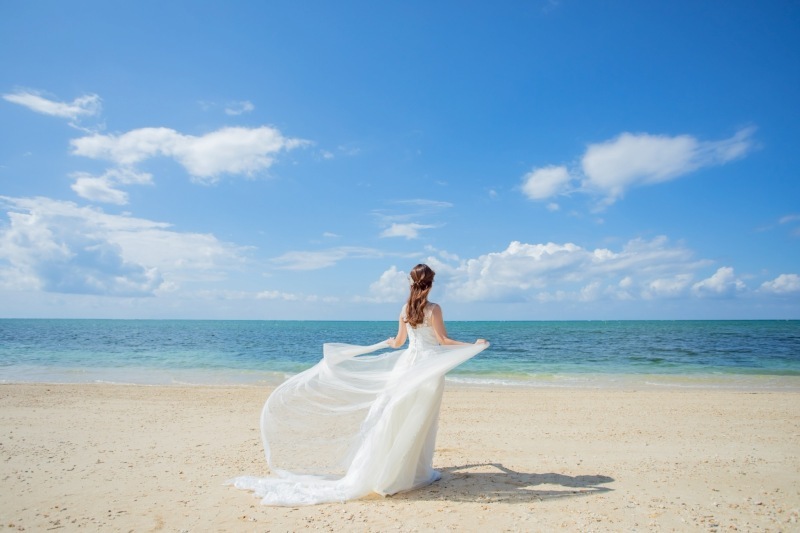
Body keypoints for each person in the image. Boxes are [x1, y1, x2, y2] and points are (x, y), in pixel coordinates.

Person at [231, 264, 489, 505]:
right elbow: (443, 341)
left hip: (407, 366)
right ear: (430, 284)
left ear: (411, 284)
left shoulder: (404, 309)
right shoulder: (434, 309)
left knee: (396, 416)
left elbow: (400, 343)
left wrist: (389, 342)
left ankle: (392, 471)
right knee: (420, 420)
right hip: (428, 369)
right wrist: (473, 345)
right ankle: (410, 472)